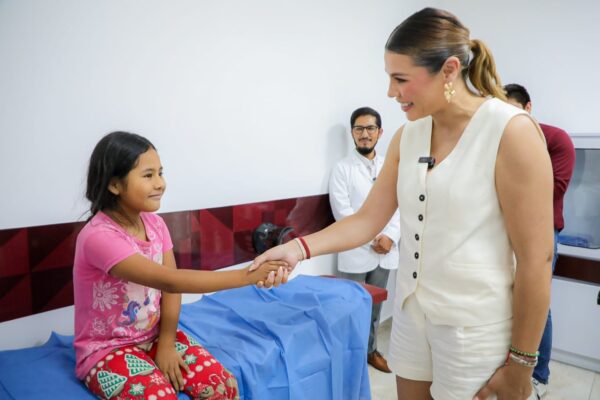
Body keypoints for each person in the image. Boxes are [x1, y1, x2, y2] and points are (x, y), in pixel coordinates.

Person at [252, 8, 554, 400]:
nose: (390, 92)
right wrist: (297, 248)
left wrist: (522, 365)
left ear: (448, 70)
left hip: (474, 330)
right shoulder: (408, 137)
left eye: (400, 79)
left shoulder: (510, 131)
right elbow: (367, 219)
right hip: (413, 315)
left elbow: (536, 260)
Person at [74, 131, 286, 400]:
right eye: (148, 175)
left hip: (155, 335)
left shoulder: (155, 224)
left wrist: (166, 343)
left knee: (221, 385)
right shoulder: (99, 237)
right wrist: (249, 275)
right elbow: (171, 281)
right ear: (115, 185)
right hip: (108, 349)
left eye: (160, 173)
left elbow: (171, 290)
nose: (160, 183)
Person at [504, 83, 576, 399]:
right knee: (505, 299)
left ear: (528, 108)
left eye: (511, 111)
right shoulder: (497, 140)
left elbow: (554, 189)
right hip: (504, 230)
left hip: (543, 232)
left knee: (536, 304)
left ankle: (538, 375)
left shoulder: (555, 139)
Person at [329, 106, 400, 373]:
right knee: (350, 307)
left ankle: (370, 351)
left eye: (370, 128)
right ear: (352, 133)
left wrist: (390, 236)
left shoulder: (391, 167)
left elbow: (400, 204)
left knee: (375, 307)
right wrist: (373, 238)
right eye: (359, 129)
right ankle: (350, 359)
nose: (365, 134)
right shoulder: (342, 169)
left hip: (385, 250)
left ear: (380, 132)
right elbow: (342, 211)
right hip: (356, 249)